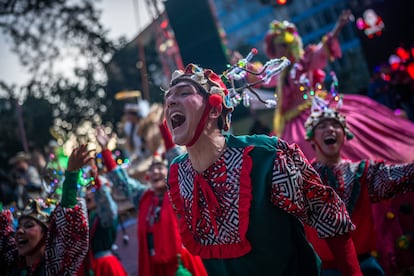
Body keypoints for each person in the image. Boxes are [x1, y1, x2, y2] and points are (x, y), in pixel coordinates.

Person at [162, 63, 363, 275]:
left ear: (214, 109)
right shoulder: (177, 174)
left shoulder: (265, 155)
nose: (170, 101)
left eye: (184, 93)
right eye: (167, 97)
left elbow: (327, 214)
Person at [261, 10, 414, 163]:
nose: (279, 50)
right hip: (288, 124)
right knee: (285, 153)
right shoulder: (278, 73)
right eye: (276, 47)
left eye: (282, 45)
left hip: (313, 110)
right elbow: (261, 76)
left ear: (290, 45)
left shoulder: (305, 61)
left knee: (347, 126)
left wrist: (337, 28)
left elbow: (322, 51)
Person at [303, 100, 414, 275]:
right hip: (325, 270)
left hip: (366, 267)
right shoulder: (303, 178)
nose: (330, 129)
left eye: (335, 125)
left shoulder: (363, 173)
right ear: (312, 137)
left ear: (345, 134)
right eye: (322, 126)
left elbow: (398, 176)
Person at [95, 127, 207, 276]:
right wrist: (105, 151)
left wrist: (164, 129)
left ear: (169, 171)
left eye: (160, 168)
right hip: (154, 266)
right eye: (152, 169)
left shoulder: (179, 191)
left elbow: (177, 161)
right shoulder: (143, 197)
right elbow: (122, 182)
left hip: (182, 263)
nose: (155, 172)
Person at [0, 145, 90, 275]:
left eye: (29, 225)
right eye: (18, 227)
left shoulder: (53, 268)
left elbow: (71, 227)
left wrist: (71, 177)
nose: (19, 231)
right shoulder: (11, 265)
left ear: (48, 235)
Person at [77, 165, 128, 276]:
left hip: (105, 266)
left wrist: (96, 178)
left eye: (92, 189)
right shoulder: (86, 218)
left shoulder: (107, 213)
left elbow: (105, 202)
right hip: (90, 267)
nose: (87, 193)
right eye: (87, 190)